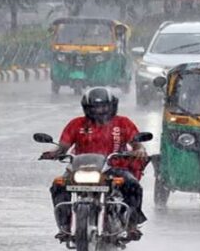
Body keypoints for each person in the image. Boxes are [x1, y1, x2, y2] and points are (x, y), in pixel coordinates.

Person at [40, 87, 148, 241]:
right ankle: (65, 225)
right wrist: (52, 152)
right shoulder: (76, 124)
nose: (100, 110)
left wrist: (140, 150)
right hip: (80, 168)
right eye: (95, 107)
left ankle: (132, 225)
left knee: (133, 185)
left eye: (104, 106)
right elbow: (63, 146)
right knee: (58, 185)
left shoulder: (123, 123)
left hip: (114, 168)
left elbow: (137, 145)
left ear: (112, 106)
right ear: (87, 108)